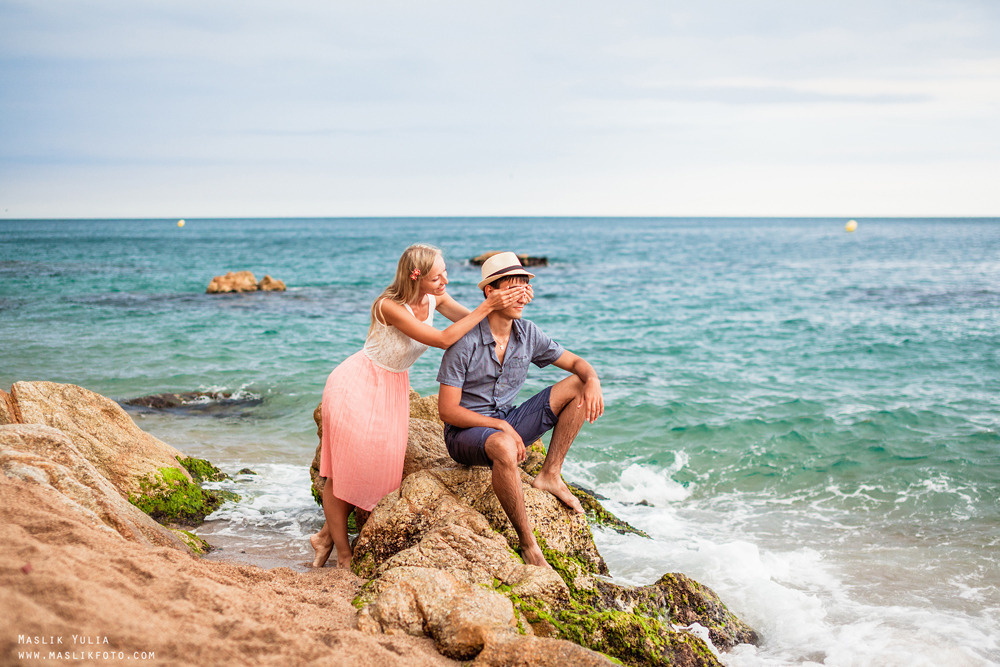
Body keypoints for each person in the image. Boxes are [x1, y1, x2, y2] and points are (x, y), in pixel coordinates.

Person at [309, 244, 528, 568]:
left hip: (391, 388)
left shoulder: (435, 298)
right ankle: (343, 555)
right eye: (437, 277)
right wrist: (488, 305)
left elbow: (474, 323)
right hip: (356, 384)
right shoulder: (388, 306)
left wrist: (509, 302)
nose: (445, 282)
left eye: (445, 273)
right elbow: (442, 339)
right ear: (416, 277)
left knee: (372, 466)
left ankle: (325, 536)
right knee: (342, 470)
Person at [436, 251, 604, 568]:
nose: (522, 296)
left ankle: (550, 474)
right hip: (464, 435)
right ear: (490, 292)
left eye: (525, 287)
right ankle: (528, 544)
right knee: (503, 444)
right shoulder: (465, 340)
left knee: (578, 383)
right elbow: (447, 411)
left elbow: (576, 363)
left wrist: (592, 379)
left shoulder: (527, 333)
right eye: (513, 288)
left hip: (508, 421)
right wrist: (501, 427)